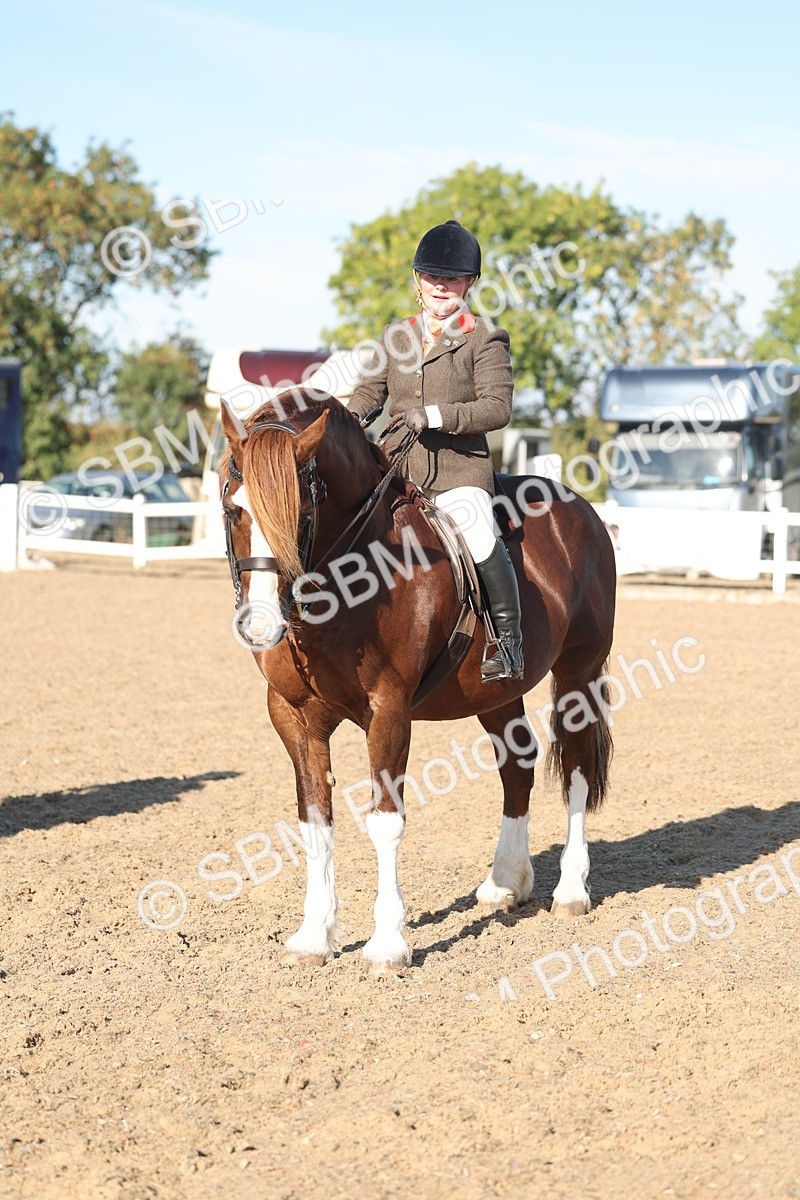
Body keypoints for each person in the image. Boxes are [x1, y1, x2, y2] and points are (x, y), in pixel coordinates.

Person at [347, 219, 523, 682]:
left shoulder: (485, 338)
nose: (440, 286)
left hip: (457, 473)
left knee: (477, 531)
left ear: (470, 283)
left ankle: (508, 643)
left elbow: (497, 408)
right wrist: (344, 421)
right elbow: (369, 392)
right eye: (432, 276)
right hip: (394, 467)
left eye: (452, 278)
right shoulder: (396, 335)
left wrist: (437, 415)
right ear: (417, 279)